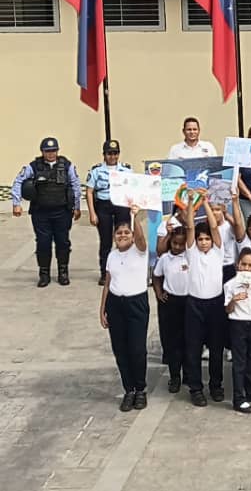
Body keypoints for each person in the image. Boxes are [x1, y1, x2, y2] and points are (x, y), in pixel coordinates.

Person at [99, 206, 150, 411]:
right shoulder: (111, 256)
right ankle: (128, 389)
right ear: (113, 237)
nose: (122, 235)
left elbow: (141, 238)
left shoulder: (139, 251)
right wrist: (102, 308)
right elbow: (108, 282)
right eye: (119, 233)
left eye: (125, 232)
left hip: (136, 303)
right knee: (120, 350)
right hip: (115, 304)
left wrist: (134, 217)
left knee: (137, 349)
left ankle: (140, 389)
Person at [12, 137, 81, 287]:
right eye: (47, 151)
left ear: (58, 150)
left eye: (53, 150)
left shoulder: (67, 165)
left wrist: (77, 207)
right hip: (40, 212)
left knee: (63, 243)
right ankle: (44, 274)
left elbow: (75, 185)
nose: (51, 154)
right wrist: (16, 203)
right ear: (42, 152)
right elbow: (18, 181)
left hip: (62, 211)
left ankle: (63, 272)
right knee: (43, 243)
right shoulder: (33, 166)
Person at [182, 200, 226, 406]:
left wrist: (206, 203)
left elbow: (215, 225)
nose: (204, 242)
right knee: (193, 349)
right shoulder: (191, 253)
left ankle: (216, 385)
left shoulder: (218, 251)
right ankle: (196, 388)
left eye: (207, 239)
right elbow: (190, 226)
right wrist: (192, 203)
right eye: (200, 239)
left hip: (215, 305)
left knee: (216, 349)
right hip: (194, 305)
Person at [224, 247, 251, 413]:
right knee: (239, 361)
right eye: (244, 265)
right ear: (238, 265)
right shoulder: (230, 284)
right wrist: (234, 299)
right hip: (237, 323)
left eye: (250, 265)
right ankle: (238, 398)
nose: (247, 268)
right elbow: (227, 309)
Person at [86, 140, 133, 286]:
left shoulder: (126, 170)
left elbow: (133, 188)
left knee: (124, 239)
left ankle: (124, 271)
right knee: (106, 241)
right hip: (104, 206)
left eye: (115, 153)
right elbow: (89, 191)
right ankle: (105, 273)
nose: (112, 156)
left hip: (121, 205)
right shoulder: (96, 171)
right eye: (109, 153)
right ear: (104, 155)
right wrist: (92, 213)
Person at [152, 226, 189, 393]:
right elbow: (156, 276)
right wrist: (158, 292)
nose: (178, 247)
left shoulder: (189, 256)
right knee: (173, 341)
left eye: (181, 244)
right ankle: (175, 377)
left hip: (188, 301)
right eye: (175, 243)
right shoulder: (164, 259)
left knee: (188, 340)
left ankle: (189, 374)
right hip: (171, 302)